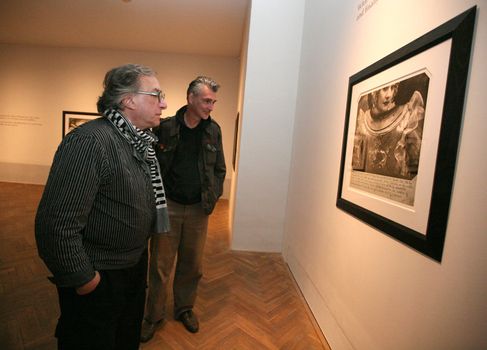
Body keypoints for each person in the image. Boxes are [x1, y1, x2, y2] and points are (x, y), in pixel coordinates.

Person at [35, 63, 170, 350]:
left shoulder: (138, 143)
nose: (164, 103)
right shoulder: (90, 142)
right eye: (157, 95)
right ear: (128, 99)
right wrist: (84, 279)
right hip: (100, 275)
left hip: (131, 268)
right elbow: (56, 224)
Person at [141, 76, 226, 341]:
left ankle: (184, 308)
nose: (211, 106)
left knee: (192, 265)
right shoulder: (165, 128)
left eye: (213, 101)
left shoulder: (214, 131)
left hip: (199, 210)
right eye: (206, 100)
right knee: (160, 265)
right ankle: (153, 315)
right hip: (169, 208)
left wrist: (213, 196)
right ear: (191, 98)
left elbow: (219, 170)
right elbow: (149, 163)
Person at [352, 81, 425, 179]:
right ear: (375, 93)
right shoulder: (363, 119)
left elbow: (414, 164)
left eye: (392, 88)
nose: (389, 95)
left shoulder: (405, 115)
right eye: (385, 89)